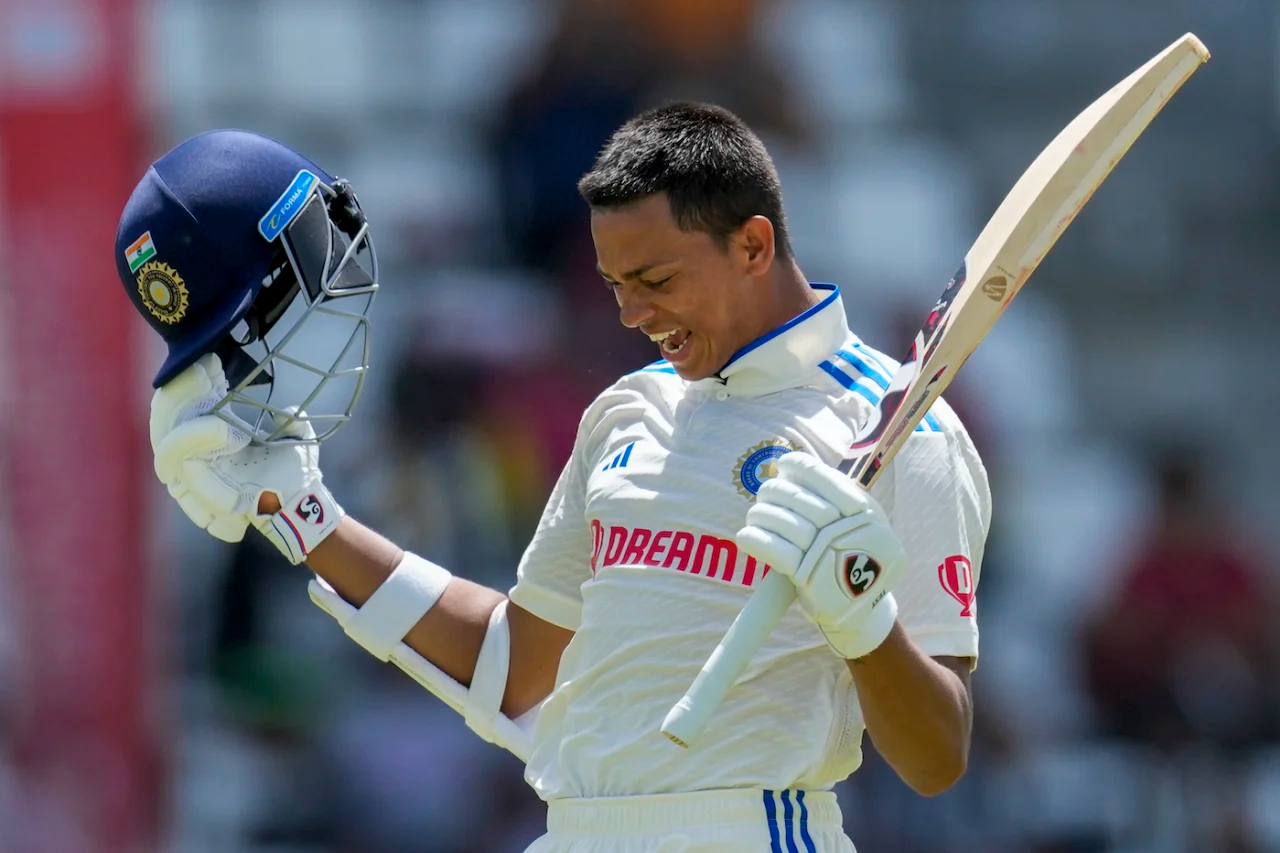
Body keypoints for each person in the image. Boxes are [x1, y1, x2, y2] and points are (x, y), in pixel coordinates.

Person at [121, 105, 991, 852]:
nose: (633, 313)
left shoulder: (901, 431)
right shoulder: (626, 409)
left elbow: (938, 754)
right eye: (615, 284)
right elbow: (511, 670)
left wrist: (862, 615)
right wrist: (304, 518)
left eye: (656, 279)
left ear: (754, 244)